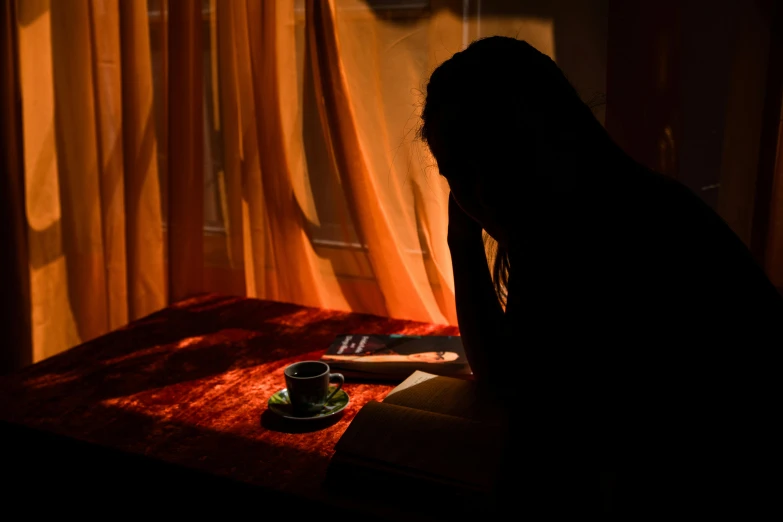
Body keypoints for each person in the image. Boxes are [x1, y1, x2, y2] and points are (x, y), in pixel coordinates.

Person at [419, 36, 781, 517]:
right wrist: (460, 236)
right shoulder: (550, 224)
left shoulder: (626, 234)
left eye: (496, 155)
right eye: (456, 174)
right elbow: (507, 373)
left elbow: (518, 389)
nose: (480, 190)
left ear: (547, 132)